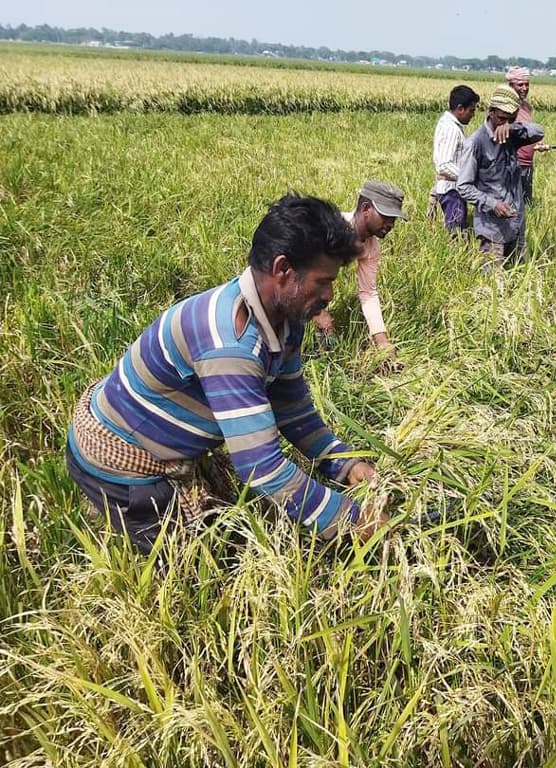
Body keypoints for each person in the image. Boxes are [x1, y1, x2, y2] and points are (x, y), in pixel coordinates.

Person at [65, 194, 389, 554]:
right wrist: (354, 519)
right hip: (118, 455)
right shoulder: (230, 342)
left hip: (156, 434)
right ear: (283, 270)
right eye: (323, 281)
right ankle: (105, 500)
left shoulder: (286, 318)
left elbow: (294, 411)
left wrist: (343, 463)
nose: (330, 294)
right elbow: (260, 468)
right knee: (194, 572)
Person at [312, 181, 407, 365]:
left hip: (313, 288)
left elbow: (368, 293)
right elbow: (300, 269)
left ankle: (325, 362)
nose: (390, 224)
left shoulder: (371, 247)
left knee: (328, 344)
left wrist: (382, 342)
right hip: (282, 280)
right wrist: (318, 311)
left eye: (394, 219)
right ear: (365, 208)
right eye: (386, 216)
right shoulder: (330, 228)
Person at [457, 84, 544, 270]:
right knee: (494, 285)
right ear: (491, 112)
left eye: (511, 119)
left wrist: (512, 127)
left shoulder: (513, 135)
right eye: (502, 118)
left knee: (520, 274)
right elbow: (463, 186)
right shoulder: (475, 143)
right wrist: (492, 204)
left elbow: (539, 131)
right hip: (492, 229)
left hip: (516, 223)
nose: (505, 123)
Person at [433, 84, 480, 236]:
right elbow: (444, 165)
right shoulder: (452, 129)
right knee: (456, 235)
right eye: (471, 110)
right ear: (460, 108)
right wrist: (467, 178)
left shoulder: (447, 123)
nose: (473, 115)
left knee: (458, 231)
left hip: (451, 188)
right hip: (452, 191)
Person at [505, 67, 549, 205]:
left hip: (527, 164)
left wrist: (537, 144)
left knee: (526, 204)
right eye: (520, 84)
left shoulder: (526, 107)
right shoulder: (504, 107)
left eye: (527, 84)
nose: (524, 88)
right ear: (511, 85)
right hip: (511, 164)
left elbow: (526, 132)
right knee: (511, 205)